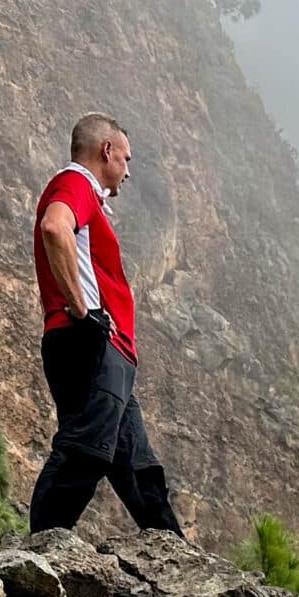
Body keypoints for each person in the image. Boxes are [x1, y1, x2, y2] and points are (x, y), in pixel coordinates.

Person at [28, 112, 184, 536]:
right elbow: (54, 228)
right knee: (86, 448)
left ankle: (180, 565)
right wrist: (82, 310)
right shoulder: (75, 182)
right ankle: (37, 552)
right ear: (107, 150)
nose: (128, 172)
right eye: (126, 159)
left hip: (109, 351)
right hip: (92, 343)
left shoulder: (89, 198)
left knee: (137, 467)